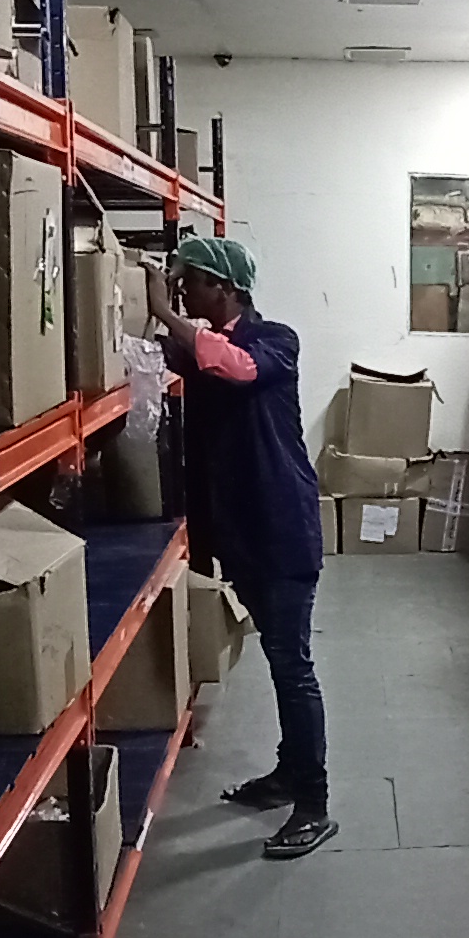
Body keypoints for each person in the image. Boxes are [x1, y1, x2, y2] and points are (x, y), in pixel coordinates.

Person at [157, 235, 335, 859]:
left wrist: (162, 312)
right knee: (280, 660)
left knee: (292, 665)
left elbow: (237, 368)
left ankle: (313, 805)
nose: (183, 292)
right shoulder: (200, 348)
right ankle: (289, 773)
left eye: (192, 282)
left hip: (281, 531)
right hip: (240, 533)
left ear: (226, 287)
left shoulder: (274, 340)